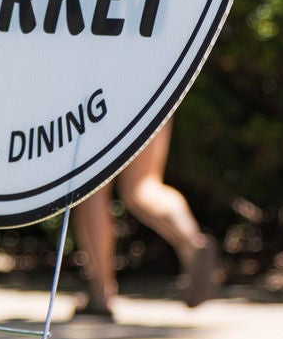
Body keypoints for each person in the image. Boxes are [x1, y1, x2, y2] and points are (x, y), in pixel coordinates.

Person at [72, 123, 223, 321]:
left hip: (96, 100)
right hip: (147, 93)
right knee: (143, 186)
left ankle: (101, 293)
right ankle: (192, 242)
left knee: (91, 186)